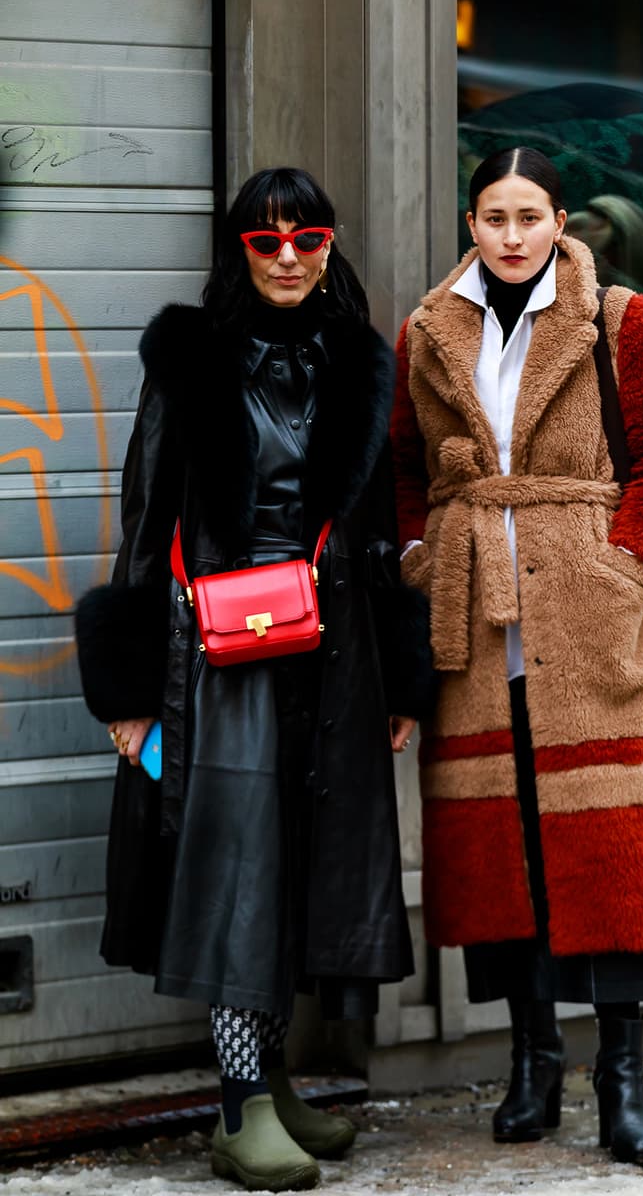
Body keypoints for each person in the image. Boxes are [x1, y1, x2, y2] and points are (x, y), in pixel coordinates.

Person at [75, 166, 433, 1193]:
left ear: (328, 247)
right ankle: (236, 1106)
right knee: (241, 871)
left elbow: (379, 532)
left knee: (301, 866)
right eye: (264, 240)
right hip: (219, 661)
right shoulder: (191, 361)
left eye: (305, 238)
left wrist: (403, 677)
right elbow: (147, 522)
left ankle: (268, 1082)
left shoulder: (360, 361)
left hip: (340, 651)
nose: (286, 257)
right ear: (237, 250)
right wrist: (132, 688)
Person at [391, 146, 643, 1168]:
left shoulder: (619, 319)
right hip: (475, 622)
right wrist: (415, 557)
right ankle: (532, 1063)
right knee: (503, 845)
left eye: (530, 215)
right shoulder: (427, 331)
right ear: (471, 223)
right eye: (493, 216)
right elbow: (404, 467)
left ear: (559, 219)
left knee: (608, 846)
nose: (513, 234)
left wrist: (631, 569)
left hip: (585, 616)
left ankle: (621, 1074)